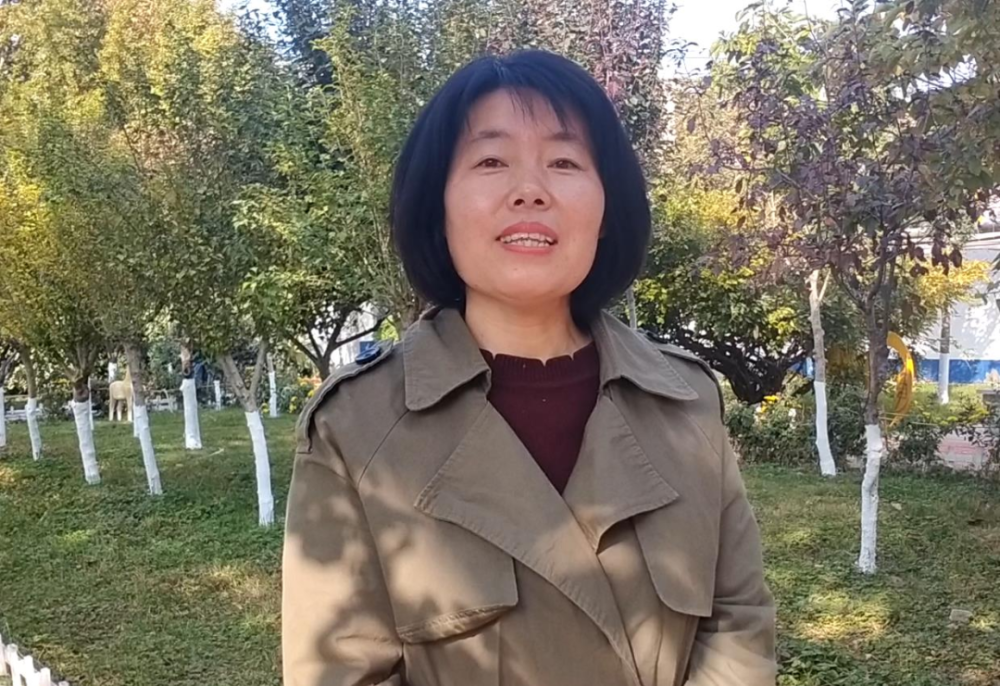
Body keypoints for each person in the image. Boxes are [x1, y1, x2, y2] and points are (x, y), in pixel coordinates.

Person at [282, 49, 776, 686]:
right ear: (438, 207)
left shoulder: (686, 402)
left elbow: (737, 623)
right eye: (491, 161)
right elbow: (343, 669)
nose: (530, 189)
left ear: (606, 211)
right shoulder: (358, 426)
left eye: (564, 162)